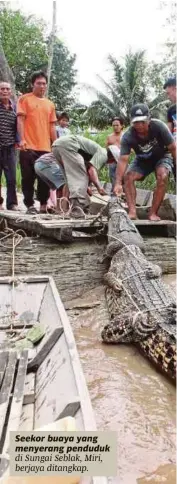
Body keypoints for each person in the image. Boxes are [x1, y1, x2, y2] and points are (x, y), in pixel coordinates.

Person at [114, 103, 176, 221]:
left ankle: (153, 213)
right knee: (128, 176)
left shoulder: (159, 127)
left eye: (143, 121)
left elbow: (173, 148)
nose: (140, 125)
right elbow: (123, 160)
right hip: (142, 159)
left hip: (162, 156)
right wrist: (117, 182)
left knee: (162, 175)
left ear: (149, 119)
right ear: (132, 122)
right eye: (136, 122)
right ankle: (132, 212)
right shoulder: (128, 136)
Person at [34, 135, 120, 215]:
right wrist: (99, 188)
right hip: (69, 146)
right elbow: (91, 170)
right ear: (112, 158)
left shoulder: (92, 155)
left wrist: (87, 187)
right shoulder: (103, 153)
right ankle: (77, 208)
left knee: (69, 181)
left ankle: (62, 209)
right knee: (79, 178)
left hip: (57, 146)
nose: (111, 163)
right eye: (113, 161)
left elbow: (86, 172)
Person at [17, 70, 57, 214]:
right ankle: (30, 205)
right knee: (27, 177)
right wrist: (21, 139)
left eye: (44, 84)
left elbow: (52, 126)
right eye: (39, 83)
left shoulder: (50, 104)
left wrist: (56, 144)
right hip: (28, 146)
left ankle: (43, 205)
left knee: (44, 178)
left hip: (45, 147)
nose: (42, 86)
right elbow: (20, 120)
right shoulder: (24, 99)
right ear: (32, 84)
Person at [0, 81, 19, 211]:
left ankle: (11, 204)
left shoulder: (15, 108)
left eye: (7, 89)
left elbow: (19, 127)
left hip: (10, 148)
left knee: (11, 178)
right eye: (2, 89)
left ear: (10, 92)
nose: (5, 91)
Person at [106, 117, 124, 191]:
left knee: (124, 179)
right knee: (113, 179)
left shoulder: (125, 136)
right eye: (113, 125)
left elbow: (132, 150)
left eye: (117, 125)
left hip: (122, 161)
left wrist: (120, 150)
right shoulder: (109, 137)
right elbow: (106, 149)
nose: (115, 127)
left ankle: (125, 197)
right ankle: (115, 197)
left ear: (122, 126)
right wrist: (112, 149)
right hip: (112, 162)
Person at [163, 76, 176, 140]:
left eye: (168, 93)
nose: (168, 97)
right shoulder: (170, 111)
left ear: (175, 89)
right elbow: (169, 133)